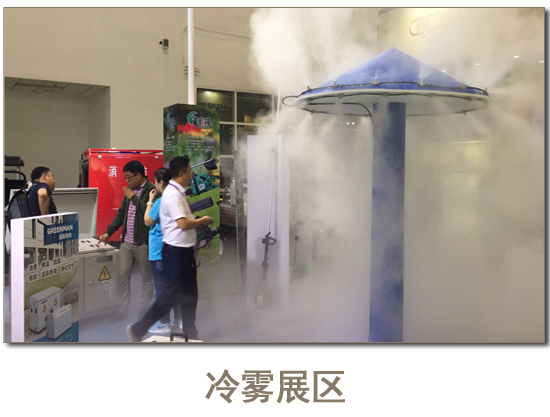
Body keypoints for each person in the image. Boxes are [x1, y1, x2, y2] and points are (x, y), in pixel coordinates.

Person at [127, 155, 212, 341]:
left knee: (190, 296)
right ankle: (138, 329)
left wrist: (195, 226)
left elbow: (180, 223)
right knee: (169, 296)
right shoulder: (172, 195)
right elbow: (182, 223)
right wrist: (202, 221)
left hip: (184, 252)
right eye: (189, 171)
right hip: (176, 253)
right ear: (181, 173)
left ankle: (191, 334)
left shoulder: (178, 192)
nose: (191, 175)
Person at [99, 160, 156, 322]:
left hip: (143, 243)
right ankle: (122, 308)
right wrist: (109, 232)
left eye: (129, 177)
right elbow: (121, 213)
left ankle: (145, 308)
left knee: (146, 278)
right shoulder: (130, 191)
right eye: (126, 178)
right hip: (127, 242)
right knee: (122, 275)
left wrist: (133, 197)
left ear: (138, 175)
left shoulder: (152, 190)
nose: (127, 180)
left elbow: (149, 213)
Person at [144, 167, 183, 334]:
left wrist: (150, 201)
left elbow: (147, 221)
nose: (154, 184)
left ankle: (163, 323)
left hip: (159, 252)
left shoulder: (161, 201)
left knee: (161, 289)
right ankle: (180, 321)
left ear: (161, 182)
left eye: (155, 181)